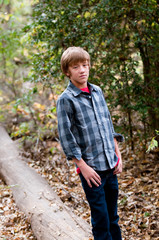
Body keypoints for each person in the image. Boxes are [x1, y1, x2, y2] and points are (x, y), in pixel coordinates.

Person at [56, 46, 124, 240]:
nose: (82, 70)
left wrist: (117, 156)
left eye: (85, 65)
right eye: (76, 67)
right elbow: (66, 137)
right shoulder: (66, 100)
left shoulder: (97, 91)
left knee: (113, 218)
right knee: (101, 220)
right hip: (91, 171)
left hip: (110, 166)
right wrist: (82, 166)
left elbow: (108, 125)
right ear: (67, 71)